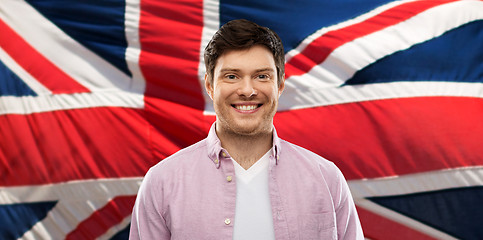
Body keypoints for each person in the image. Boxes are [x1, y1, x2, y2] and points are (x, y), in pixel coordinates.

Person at [130, 19, 363, 240]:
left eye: (262, 76)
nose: (247, 90)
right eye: (232, 76)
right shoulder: (162, 182)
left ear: (280, 84)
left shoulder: (327, 179)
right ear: (210, 85)